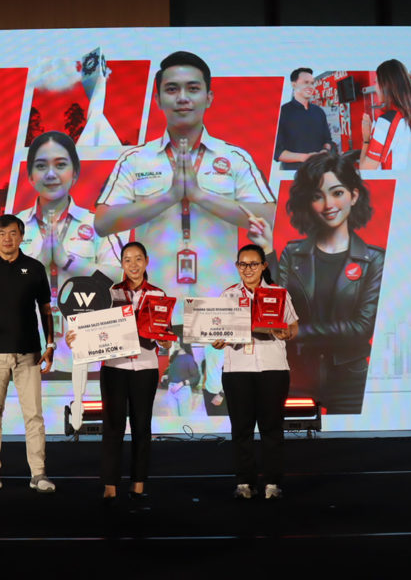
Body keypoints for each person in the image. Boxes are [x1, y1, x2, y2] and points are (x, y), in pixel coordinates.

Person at [94, 50, 277, 414]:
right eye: (172, 89)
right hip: (155, 304)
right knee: (153, 414)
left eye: (193, 89)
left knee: (226, 413)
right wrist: (167, 197)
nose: (182, 98)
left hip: (219, 304)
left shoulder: (234, 158)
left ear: (209, 97)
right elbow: (103, 221)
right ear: (158, 98)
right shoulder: (135, 160)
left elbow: (265, 214)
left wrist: (199, 195)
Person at [0, 131, 124, 409]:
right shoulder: (10, 227)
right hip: (24, 352)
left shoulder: (97, 226)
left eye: (61, 165)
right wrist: (38, 262)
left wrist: (68, 262)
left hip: (88, 355)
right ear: (30, 176)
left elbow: (122, 279)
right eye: (41, 166)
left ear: (75, 173)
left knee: (86, 423)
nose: (51, 174)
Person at [277, 151, 384, 415]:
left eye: (337, 193)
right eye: (317, 196)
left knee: (351, 440)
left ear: (354, 196)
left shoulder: (374, 260)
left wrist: (298, 332)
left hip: (350, 377)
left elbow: (362, 327)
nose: (328, 205)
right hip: (298, 374)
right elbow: (276, 312)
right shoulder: (292, 253)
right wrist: (266, 248)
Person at [65, 241, 171, 502]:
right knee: (113, 427)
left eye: (138, 259)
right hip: (114, 367)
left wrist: (166, 342)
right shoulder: (109, 293)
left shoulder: (158, 295)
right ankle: (110, 485)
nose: (133, 264)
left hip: (145, 366)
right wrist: (76, 337)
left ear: (146, 262)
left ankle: (138, 483)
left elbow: (165, 337)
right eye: (127, 260)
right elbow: (90, 325)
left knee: (141, 427)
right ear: (121, 264)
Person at [0, 214, 57, 494]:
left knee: (34, 416)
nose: (8, 238)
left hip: (29, 354)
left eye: (13, 233)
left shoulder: (35, 268)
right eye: (2, 233)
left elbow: (45, 309)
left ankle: (38, 473)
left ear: (21, 236)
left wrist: (50, 345)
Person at [212, 244, 298, 500]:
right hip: (237, 369)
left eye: (253, 264)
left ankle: (272, 483)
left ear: (263, 266)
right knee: (241, 429)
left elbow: (293, 325)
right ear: (237, 266)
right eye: (242, 264)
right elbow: (217, 329)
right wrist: (217, 340)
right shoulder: (228, 295)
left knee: (272, 428)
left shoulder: (279, 293)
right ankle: (244, 483)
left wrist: (286, 333)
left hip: (273, 367)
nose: (247, 269)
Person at [359, 59, 411, 171]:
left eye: (376, 82)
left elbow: (365, 169)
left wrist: (366, 139)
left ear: (385, 85)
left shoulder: (386, 121)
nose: (375, 87)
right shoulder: (408, 112)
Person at [274, 67, 333, 172]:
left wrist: (325, 150)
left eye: (312, 83)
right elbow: (277, 152)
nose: (310, 86)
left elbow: (327, 140)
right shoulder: (282, 112)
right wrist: (305, 157)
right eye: (306, 82)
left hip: (320, 171)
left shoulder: (319, 112)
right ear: (294, 84)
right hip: (294, 173)